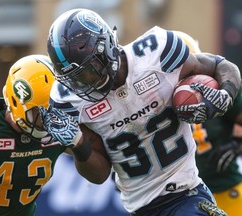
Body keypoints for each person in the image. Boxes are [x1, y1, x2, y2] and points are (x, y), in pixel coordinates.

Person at [46, 8, 241, 215]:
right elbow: (99, 175)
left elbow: (221, 65)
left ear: (107, 46)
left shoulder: (156, 53)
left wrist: (226, 94)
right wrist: (78, 145)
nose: (86, 83)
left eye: (89, 70)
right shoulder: (68, 100)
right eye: (76, 78)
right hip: (141, 208)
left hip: (186, 194)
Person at [0, 54, 111, 216]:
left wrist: (78, 143)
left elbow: (100, 176)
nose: (49, 118)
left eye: (54, 108)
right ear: (17, 103)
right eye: (40, 111)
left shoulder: (62, 121)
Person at [176, 30, 242, 216]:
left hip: (223, 186)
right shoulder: (153, 100)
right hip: (179, 199)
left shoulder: (216, 89)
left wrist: (237, 145)